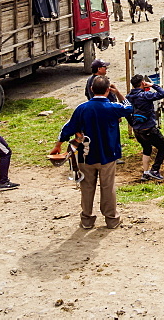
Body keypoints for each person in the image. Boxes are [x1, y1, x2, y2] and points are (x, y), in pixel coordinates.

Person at [52, 76, 133, 229]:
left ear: (91, 89)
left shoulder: (82, 108)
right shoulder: (114, 108)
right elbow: (129, 108)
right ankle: (111, 220)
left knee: (87, 188)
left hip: (85, 156)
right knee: (108, 187)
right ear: (108, 90)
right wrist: (119, 93)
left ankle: (87, 220)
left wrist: (58, 145)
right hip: (108, 156)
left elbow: (67, 128)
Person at [128, 74, 164, 181]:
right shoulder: (145, 95)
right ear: (142, 83)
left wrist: (133, 125)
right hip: (149, 129)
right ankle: (155, 170)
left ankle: (145, 173)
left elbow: (126, 113)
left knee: (147, 149)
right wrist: (153, 85)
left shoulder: (129, 97)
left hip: (137, 130)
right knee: (163, 146)